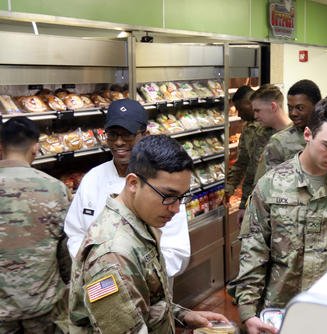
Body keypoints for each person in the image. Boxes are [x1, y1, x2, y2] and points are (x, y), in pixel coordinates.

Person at [228, 97, 327, 334]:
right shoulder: (271, 185)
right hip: (280, 313)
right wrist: (247, 312)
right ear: (308, 135)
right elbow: (253, 252)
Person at [69, 135, 228, 332]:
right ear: (133, 183)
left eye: (182, 197)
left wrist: (182, 315)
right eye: (168, 196)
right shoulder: (111, 256)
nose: (176, 209)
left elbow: (143, 301)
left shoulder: (140, 222)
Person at [64, 99, 191, 277]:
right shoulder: (93, 178)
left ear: (144, 135)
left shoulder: (162, 183)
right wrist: (92, 267)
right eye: (112, 135)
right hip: (94, 281)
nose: (119, 142)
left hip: (148, 292)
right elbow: (76, 232)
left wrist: (127, 272)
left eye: (127, 135)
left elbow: (176, 252)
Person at [0, 117, 71, 333]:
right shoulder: (56, 189)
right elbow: (65, 251)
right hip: (43, 306)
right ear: (36, 148)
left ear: (0, 147)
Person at [254, 79, 321, 181]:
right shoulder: (279, 142)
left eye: (300, 108)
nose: (293, 113)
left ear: (317, 106)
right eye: (290, 108)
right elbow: (269, 185)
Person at [225, 86, 274, 223]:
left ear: (248, 103)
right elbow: (243, 163)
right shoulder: (248, 129)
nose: (239, 114)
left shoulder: (274, 128)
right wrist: (230, 188)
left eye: (239, 109)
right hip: (254, 198)